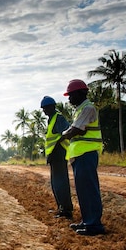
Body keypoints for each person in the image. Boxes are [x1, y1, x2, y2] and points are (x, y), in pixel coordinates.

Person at [59, 79, 106, 236]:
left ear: (81, 93)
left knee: (89, 189)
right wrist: (69, 132)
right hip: (79, 155)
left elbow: (75, 130)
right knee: (82, 190)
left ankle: (94, 225)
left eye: (71, 95)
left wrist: (64, 134)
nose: (69, 99)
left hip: (87, 153)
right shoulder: (80, 110)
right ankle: (87, 221)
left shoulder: (88, 108)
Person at [41, 96, 74, 219]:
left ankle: (66, 210)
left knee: (61, 182)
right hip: (54, 155)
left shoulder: (58, 118)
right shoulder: (51, 119)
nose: (45, 111)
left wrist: (55, 148)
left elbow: (65, 133)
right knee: (55, 183)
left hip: (59, 153)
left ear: (53, 106)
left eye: (47, 108)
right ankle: (60, 207)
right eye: (44, 109)